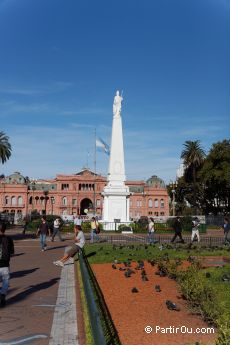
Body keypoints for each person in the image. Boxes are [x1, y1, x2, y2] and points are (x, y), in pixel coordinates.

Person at [0, 222, 14, 307]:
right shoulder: (9, 239)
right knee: (6, 280)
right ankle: (3, 294)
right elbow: (12, 251)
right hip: (5, 263)